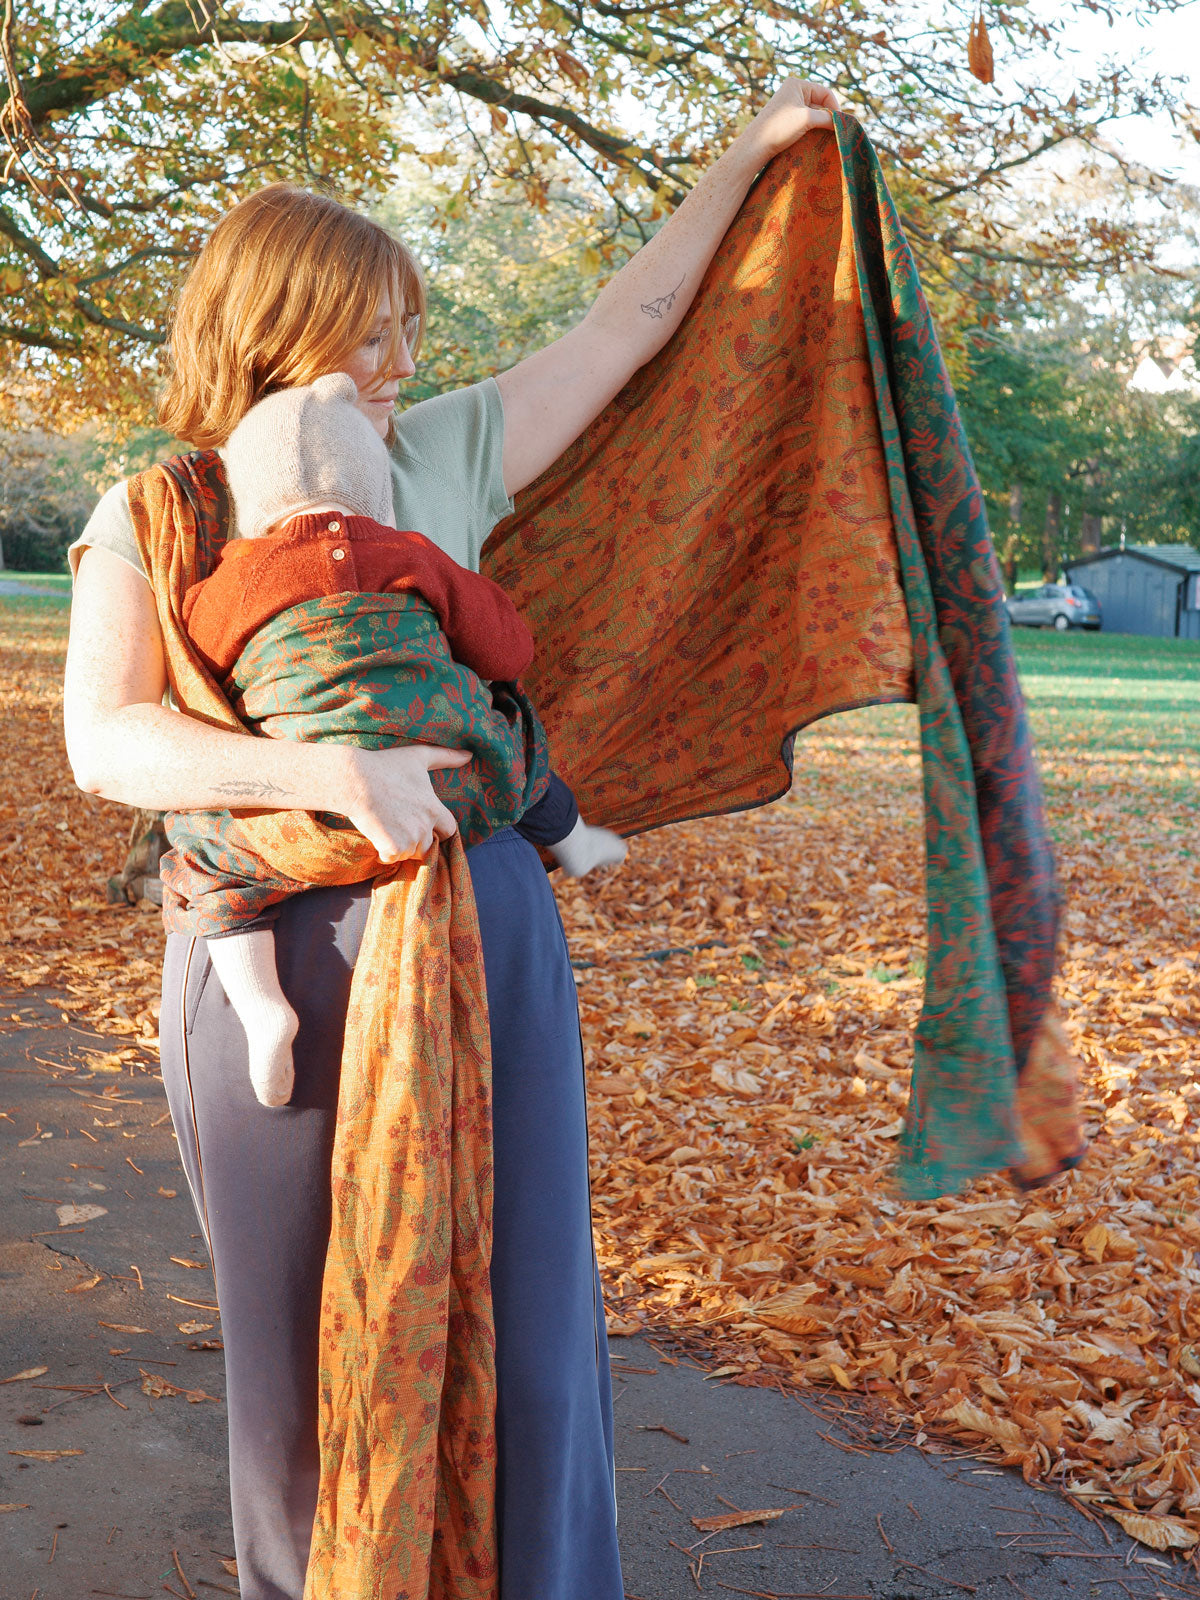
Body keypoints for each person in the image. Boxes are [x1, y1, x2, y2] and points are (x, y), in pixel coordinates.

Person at [62, 76, 839, 1600]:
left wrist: (753, 147)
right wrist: (331, 769)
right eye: (374, 334)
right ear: (274, 326)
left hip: (482, 928)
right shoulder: (161, 508)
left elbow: (633, 321)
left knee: (534, 1340)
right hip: (267, 951)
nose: (405, 366)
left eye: (410, 329)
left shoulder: (455, 454)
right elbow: (106, 741)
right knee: (296, 1373)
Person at [170, 369, 626, 1107]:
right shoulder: (414, 555)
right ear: (376, 485)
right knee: (519, 740)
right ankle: (572, 837)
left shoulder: (228, 586)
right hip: (457, 788)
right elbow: (506, 647)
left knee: (201, 849)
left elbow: (200, 676)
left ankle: (260, 1006)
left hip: (308, 817)